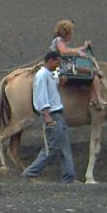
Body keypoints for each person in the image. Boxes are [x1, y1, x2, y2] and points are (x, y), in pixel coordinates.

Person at [21, 50, 76, 183]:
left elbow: (53, 89)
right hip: (51, 115)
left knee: (65, 147)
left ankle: (69, 177)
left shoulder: (50, 74)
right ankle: (30, 173)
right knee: (52, 147)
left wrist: (60, 82)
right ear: (50, 61)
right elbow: (41, 96)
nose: (58, 65)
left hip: (58, 115)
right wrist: (46, 115)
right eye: (57, 62)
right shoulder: (42, 75)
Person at [50, 20, 107, 109]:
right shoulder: (59, 40)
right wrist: (81, 49)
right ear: (66, 34)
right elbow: (64, 51)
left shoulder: (59, 41)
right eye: (71, 33)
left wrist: (82, 50)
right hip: (64, 68)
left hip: (66, 65)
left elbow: (69, 50)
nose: (72, 35)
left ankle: (93, 99)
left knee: (91, 71)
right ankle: (98, 98)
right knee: (94, 72)